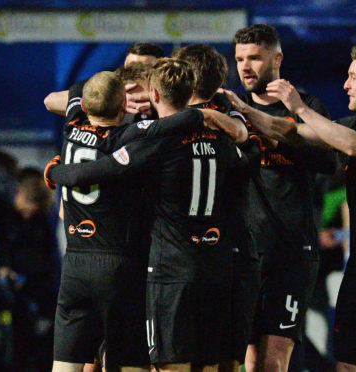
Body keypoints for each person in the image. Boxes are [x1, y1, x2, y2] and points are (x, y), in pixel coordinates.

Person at [45, 58, 257, 372]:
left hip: (97, 265)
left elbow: (64, 102)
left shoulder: (76, 123)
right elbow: (248, 155)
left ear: (153, 96)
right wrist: (216, 117)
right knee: (199, 364)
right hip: (204, 263)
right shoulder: (206, 142)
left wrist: (54, 172)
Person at [232, 46, 356, 372]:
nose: (346, 85)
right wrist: (244, 112)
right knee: (346, 364)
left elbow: (354, 144)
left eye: (353, 77)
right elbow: (291, 133)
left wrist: (299, 107)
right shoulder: (352, 123)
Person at [224, 24, 336, 372]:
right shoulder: (230, 109)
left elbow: (328, 161)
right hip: (244, 251)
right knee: (248, 358)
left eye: (255, 58)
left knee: (274, 359)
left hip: (292, 251)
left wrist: (282, 132)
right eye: (240, 58)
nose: (245, 66)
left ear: (277, 59)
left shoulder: (306, 106)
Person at [49, 71, 151, 372]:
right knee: (128, 362)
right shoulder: (128, 140)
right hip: (119, 265)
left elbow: (76, 93)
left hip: (75, 265)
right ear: (124, 107)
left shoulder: (71, 127)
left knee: (65, 365)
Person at [173, 43, 261, 372]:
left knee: (174, 359)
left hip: (175, 258)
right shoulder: (232, 123)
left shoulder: (161, 126)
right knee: (224, 358)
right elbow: (250, 157)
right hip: (231, 251)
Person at [0, 168, 57, 372]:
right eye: (27, 209)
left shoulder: (39, 222)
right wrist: (3, 268)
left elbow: (46, 258)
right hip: (10, 287)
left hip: (30, 289)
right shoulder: (4, 213)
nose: (28, 214)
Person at [43, 42, 164, 116]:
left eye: (145, 68)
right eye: (131, 68)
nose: (137, 73)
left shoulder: (169, 93)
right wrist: (111, 103)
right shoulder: (107, 86)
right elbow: (51, 101)